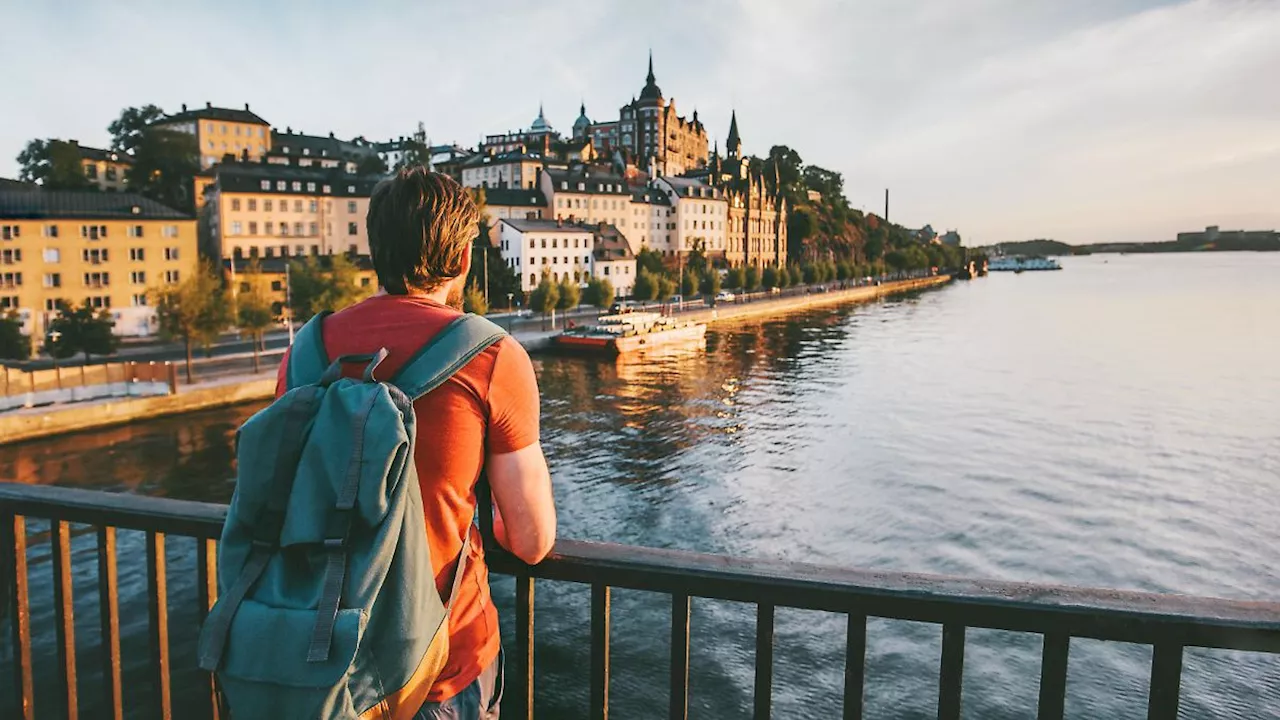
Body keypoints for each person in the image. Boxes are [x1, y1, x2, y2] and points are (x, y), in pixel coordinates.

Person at [274, 167, 556, 719]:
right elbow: (532, 540)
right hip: (439, 669)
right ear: (465, 258)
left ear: (376, 250)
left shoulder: (304, 352)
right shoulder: (492, 357)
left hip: (320, 657)